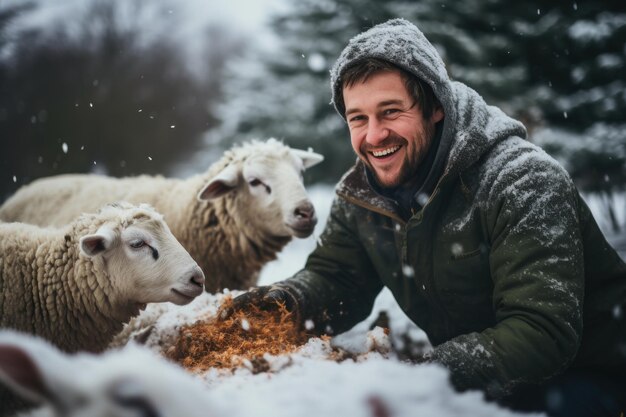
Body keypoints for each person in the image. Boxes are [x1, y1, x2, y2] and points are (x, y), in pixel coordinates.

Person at [227, 18, 626, 416]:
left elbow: (543, 332)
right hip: (483, 378)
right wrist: (280, 307)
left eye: (391, 111)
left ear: (436, 107)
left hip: (590, 376)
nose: (374, 135)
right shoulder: (362, 194)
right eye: (358, 118)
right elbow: (337, 278)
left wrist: (424, 377)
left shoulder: (520, 179)